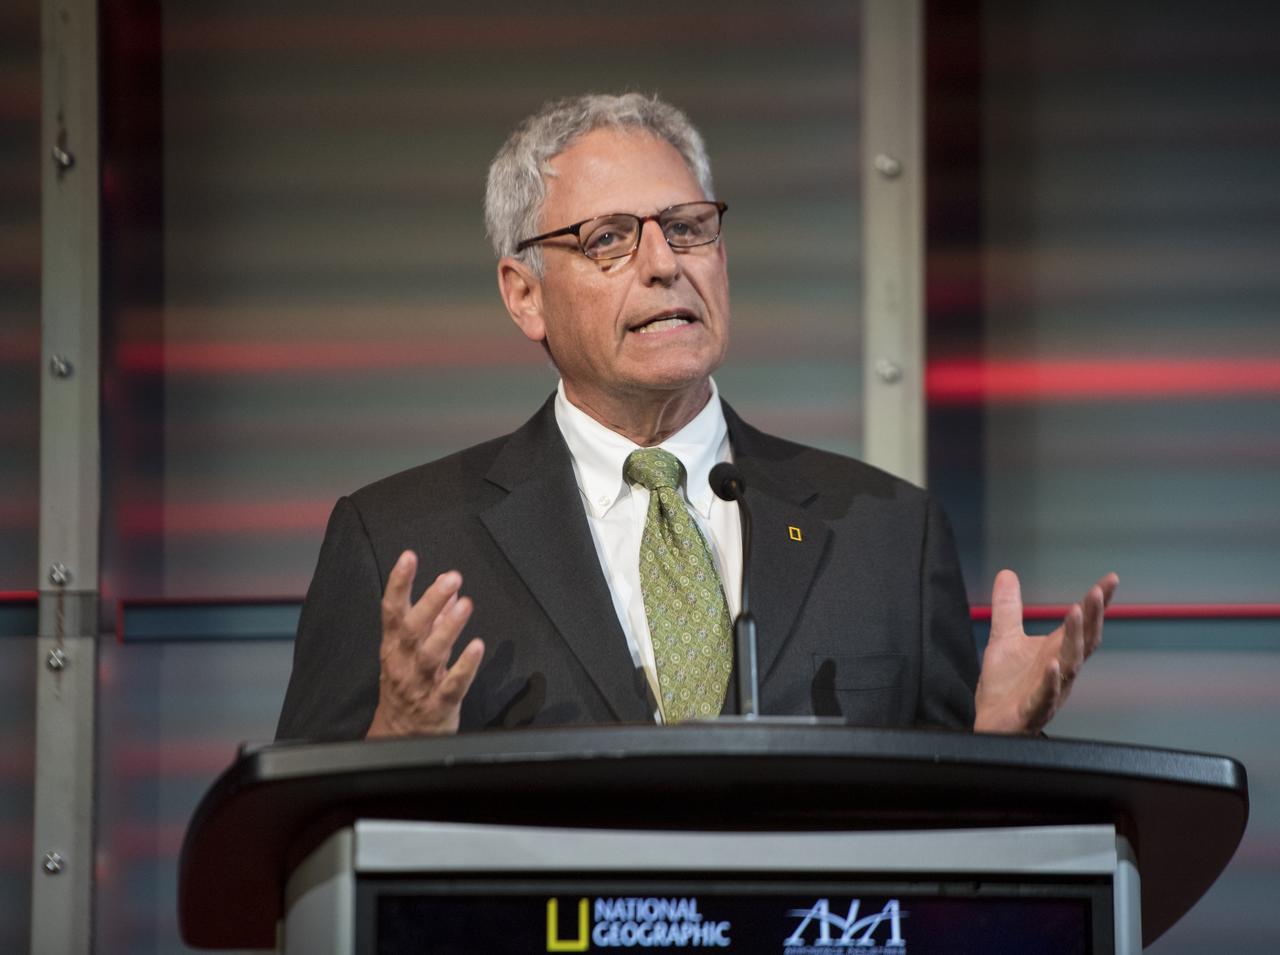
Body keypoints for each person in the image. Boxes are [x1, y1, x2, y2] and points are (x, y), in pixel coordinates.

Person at [275, 93, 1117, 742]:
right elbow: (299, 855)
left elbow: (955, 869)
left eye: (686, 227)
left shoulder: (891, 535)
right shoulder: (401, 544)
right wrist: (394, 741)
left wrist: (996, 749)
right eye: (609, 238)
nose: (663, 264)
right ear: (524, 294)